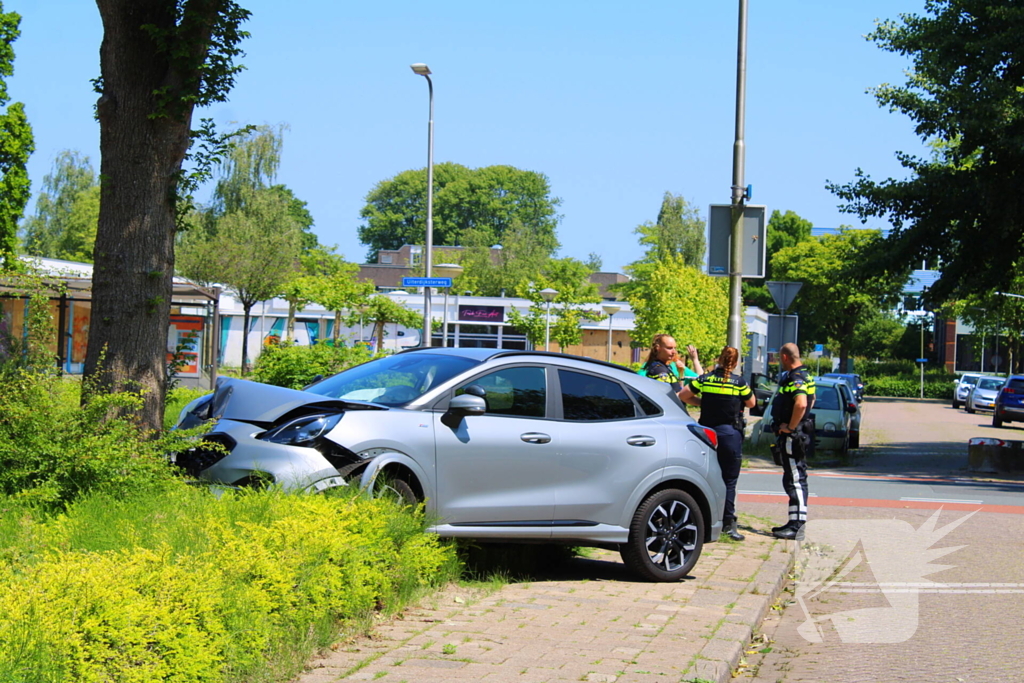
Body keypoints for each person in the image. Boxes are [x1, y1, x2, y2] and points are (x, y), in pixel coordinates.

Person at [679, 346, 755, 541]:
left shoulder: (705, 379)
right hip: (730, 435)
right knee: (729, 480)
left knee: (702, 476)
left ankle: (698, 519)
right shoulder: (739, 383)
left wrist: (705, 403)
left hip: (706, 435)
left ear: (719, 359)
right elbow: (752, 403)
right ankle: (727, 523)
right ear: (737, 363)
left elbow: (683, 396)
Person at [769, 342, 816, 541]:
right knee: (793, 477)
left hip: (792, 435)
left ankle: (797, 526)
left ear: (786, 358)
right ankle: (794, 521)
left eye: (781, 358)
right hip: (799, 432)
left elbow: (801, 403)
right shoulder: (807, 375)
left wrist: (790, 427)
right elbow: (811, 400)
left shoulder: (796, 378)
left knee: (795, 479)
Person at [638, 334, 704, 395]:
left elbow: (701, 378)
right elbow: (672, 396)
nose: (674, 352)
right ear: (658, 348)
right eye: (669, 348)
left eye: (675, 348)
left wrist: (681, 373)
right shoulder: (657, 369)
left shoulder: (672, 365)